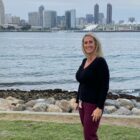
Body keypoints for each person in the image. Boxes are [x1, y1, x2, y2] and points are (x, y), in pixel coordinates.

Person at [75, 33, 109, 140]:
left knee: (89, 135)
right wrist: (77, 100)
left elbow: (104, 86)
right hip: (82, 103)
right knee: (88, 133)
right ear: (83, 45)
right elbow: (82, 82)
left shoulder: (100, 62)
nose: (88, 45)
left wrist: (99, 107)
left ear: (95, 44)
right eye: (85, 42)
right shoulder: (84, 61)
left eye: (90, 42)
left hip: (93, 104)